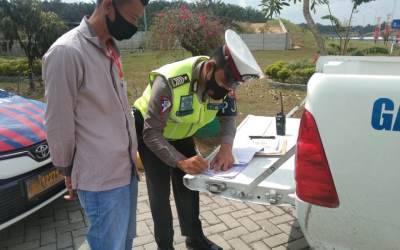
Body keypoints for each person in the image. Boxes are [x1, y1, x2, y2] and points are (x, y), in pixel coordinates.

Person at [133, 30, 264, 250]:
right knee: (159, 192)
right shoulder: (171, 82)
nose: (226, 89)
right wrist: (180, 161)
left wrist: (226, 147)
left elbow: (228, 117)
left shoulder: (226, 85)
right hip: (150, 131)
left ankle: (195, 239)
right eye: (225, 82)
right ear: (210, 67)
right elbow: (151, 133)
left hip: (181, 131)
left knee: (189, 185)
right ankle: (164, 245)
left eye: (232, 85)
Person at [43, 0, 147, 249]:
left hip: (126, 171)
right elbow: (58, 122)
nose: (133, 26)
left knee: (124, 242)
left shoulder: (109, 48)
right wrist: (67, 169)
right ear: (108, 6)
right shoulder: (67, 52)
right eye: (132, 18)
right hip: (101, 181)